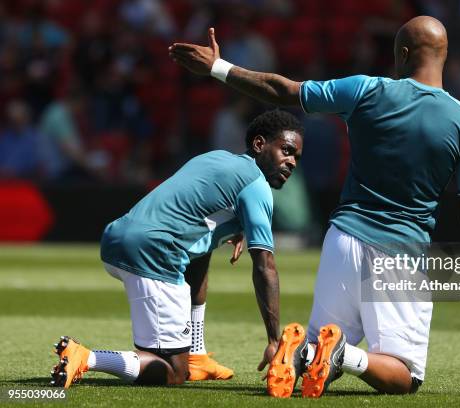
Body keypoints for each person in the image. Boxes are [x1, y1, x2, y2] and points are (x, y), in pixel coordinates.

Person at [169, 15, 460, 398]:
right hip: (400, 252)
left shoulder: (364, 90)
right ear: (442, 56)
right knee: (405, 376)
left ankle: (303, 353)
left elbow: (282, 90)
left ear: (403, 54)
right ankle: (346, 355)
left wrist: (217, 67)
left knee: (312, 357)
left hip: (342, 240)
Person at [50, 110, 304, 388]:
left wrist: (230, 229)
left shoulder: (214, 157)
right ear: (259, 145)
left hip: (116, 239)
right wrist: (273, 341)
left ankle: (196, 354)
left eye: (296, 157)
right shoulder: (256, 185)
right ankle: (87, 357)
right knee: (173, 373)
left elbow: (195, 231)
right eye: (287, 151)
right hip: (154, 253)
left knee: (199, 256)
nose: (291, 162)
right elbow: (264, 265)